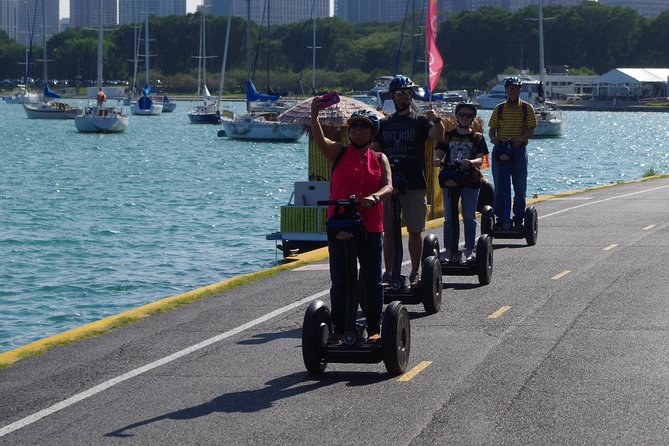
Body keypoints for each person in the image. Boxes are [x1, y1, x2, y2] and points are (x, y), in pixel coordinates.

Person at [311, 98, 393, 342]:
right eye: (354, 127)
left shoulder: (379, 158)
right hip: (339, 224)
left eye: (363, 127)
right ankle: (340, 327)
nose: (357, 130)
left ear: (372, 133)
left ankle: (374, 327)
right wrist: (315, 117)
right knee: (341, 279)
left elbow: (388, 186)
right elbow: (319, 140)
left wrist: (374, 197)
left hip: (369, 225)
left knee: (371, 279)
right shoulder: (338, 151)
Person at [371, 74, 444, 288]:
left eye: (406, 93)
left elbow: (438, 136)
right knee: (389, 232)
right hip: (389, 185)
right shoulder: (383, 124)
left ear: (411, 95)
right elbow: (374, 152)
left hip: (414, 183)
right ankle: (389, 273)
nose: (403, 96)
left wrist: (437, 119)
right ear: (392, 96)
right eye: (398, 93)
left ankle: (415, 272)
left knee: (414, 230)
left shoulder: (420, 121)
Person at [433, 102, 488, 264]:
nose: (465, 118)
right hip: (450, 179)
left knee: (469, 216)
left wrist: (470, 162)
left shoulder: (477, 137)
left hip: (470, 180)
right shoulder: (448, 135)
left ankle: (469, 249)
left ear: (473, 118)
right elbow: (439, 153)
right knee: (449, 216)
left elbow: (480, 159)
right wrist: (437, 160)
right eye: (462, 114)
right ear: (457, 116)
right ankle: (449, 250)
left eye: (469, 115)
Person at [488, 76, 537, 229]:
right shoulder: (499, 108)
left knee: (519, 187)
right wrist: (494, 139)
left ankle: (518, 218)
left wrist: (521, 138)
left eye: (515, 88)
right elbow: (491, 130)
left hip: (518, 149)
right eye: (510, 88)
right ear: (506, 90)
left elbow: (531, 129)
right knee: (500, 186)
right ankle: (501, 218)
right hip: (501, 148)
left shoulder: (526, 108)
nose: (512, 91)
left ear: (520, 90)